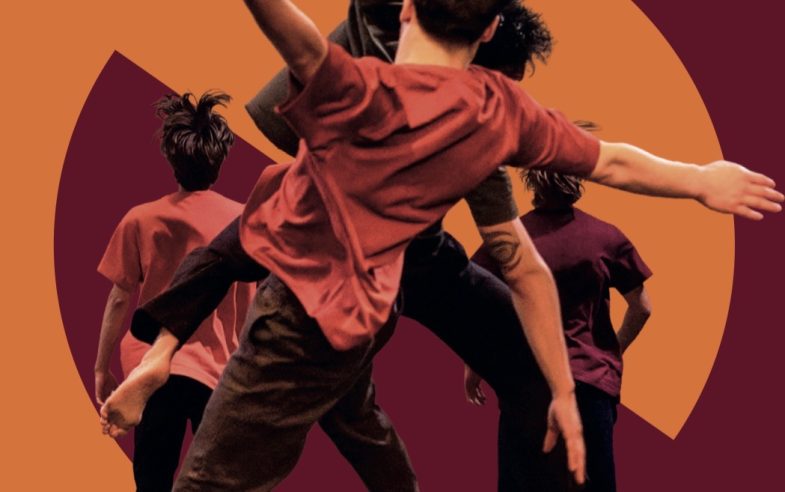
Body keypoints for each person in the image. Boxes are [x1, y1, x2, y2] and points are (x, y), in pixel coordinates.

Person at [101, 0, 782, 490]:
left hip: (387, 262)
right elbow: (546, 225)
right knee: (330, 375)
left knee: (343, 374)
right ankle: (168, 358)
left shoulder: (483, 113)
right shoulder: (470, 105)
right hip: (346, 259)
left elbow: (522, 245)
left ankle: (169, 357)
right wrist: (698, 180)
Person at [94, 91, 256, 491]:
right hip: (219, 368)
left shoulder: (140, 219)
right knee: (219, 479)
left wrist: (101, 368)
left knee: (152, 477)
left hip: (152, 364)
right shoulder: (244, 222)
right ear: (219, 160)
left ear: (172, 160)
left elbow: (119, 298)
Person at [469, 168, 654, 491]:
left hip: (527, 384)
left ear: (531, 181)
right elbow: (642, 307)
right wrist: (611, 352)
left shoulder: (509, 239)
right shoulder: (606, 237)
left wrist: (475, 368)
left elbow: (479, 308)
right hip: (589, 384)